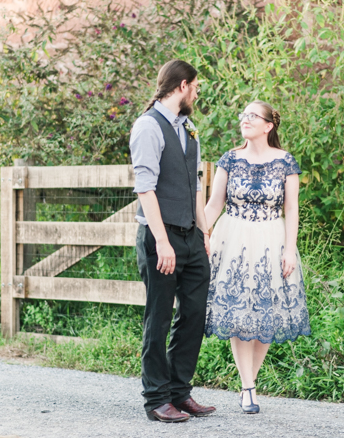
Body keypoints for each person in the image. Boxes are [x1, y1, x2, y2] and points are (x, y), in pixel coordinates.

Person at [203, 100, 311, 414]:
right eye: (243, 115)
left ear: (268, 125)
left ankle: (251, 381)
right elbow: (214, 204)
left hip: (270, 238)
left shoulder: (285, 162)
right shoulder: (230, 159)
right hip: (233, 237)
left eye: (252, 115)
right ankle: (247, 386)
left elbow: (292, 209)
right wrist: (201, 233)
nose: (245, 119)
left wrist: (290, 249)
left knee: (266, 311)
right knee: (238, 313)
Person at [129, 59, 216, 423]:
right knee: (159, 317)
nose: (196, 92)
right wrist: (162, 242)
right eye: (195, 86)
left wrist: (204, 234)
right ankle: (156, 399)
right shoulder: (148, 127)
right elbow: (145, 188)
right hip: (159, 236)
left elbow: (195, 184)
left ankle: (180, 393)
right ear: (181, 85)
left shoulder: (189, 128)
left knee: (194, 314)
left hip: (190, 237)